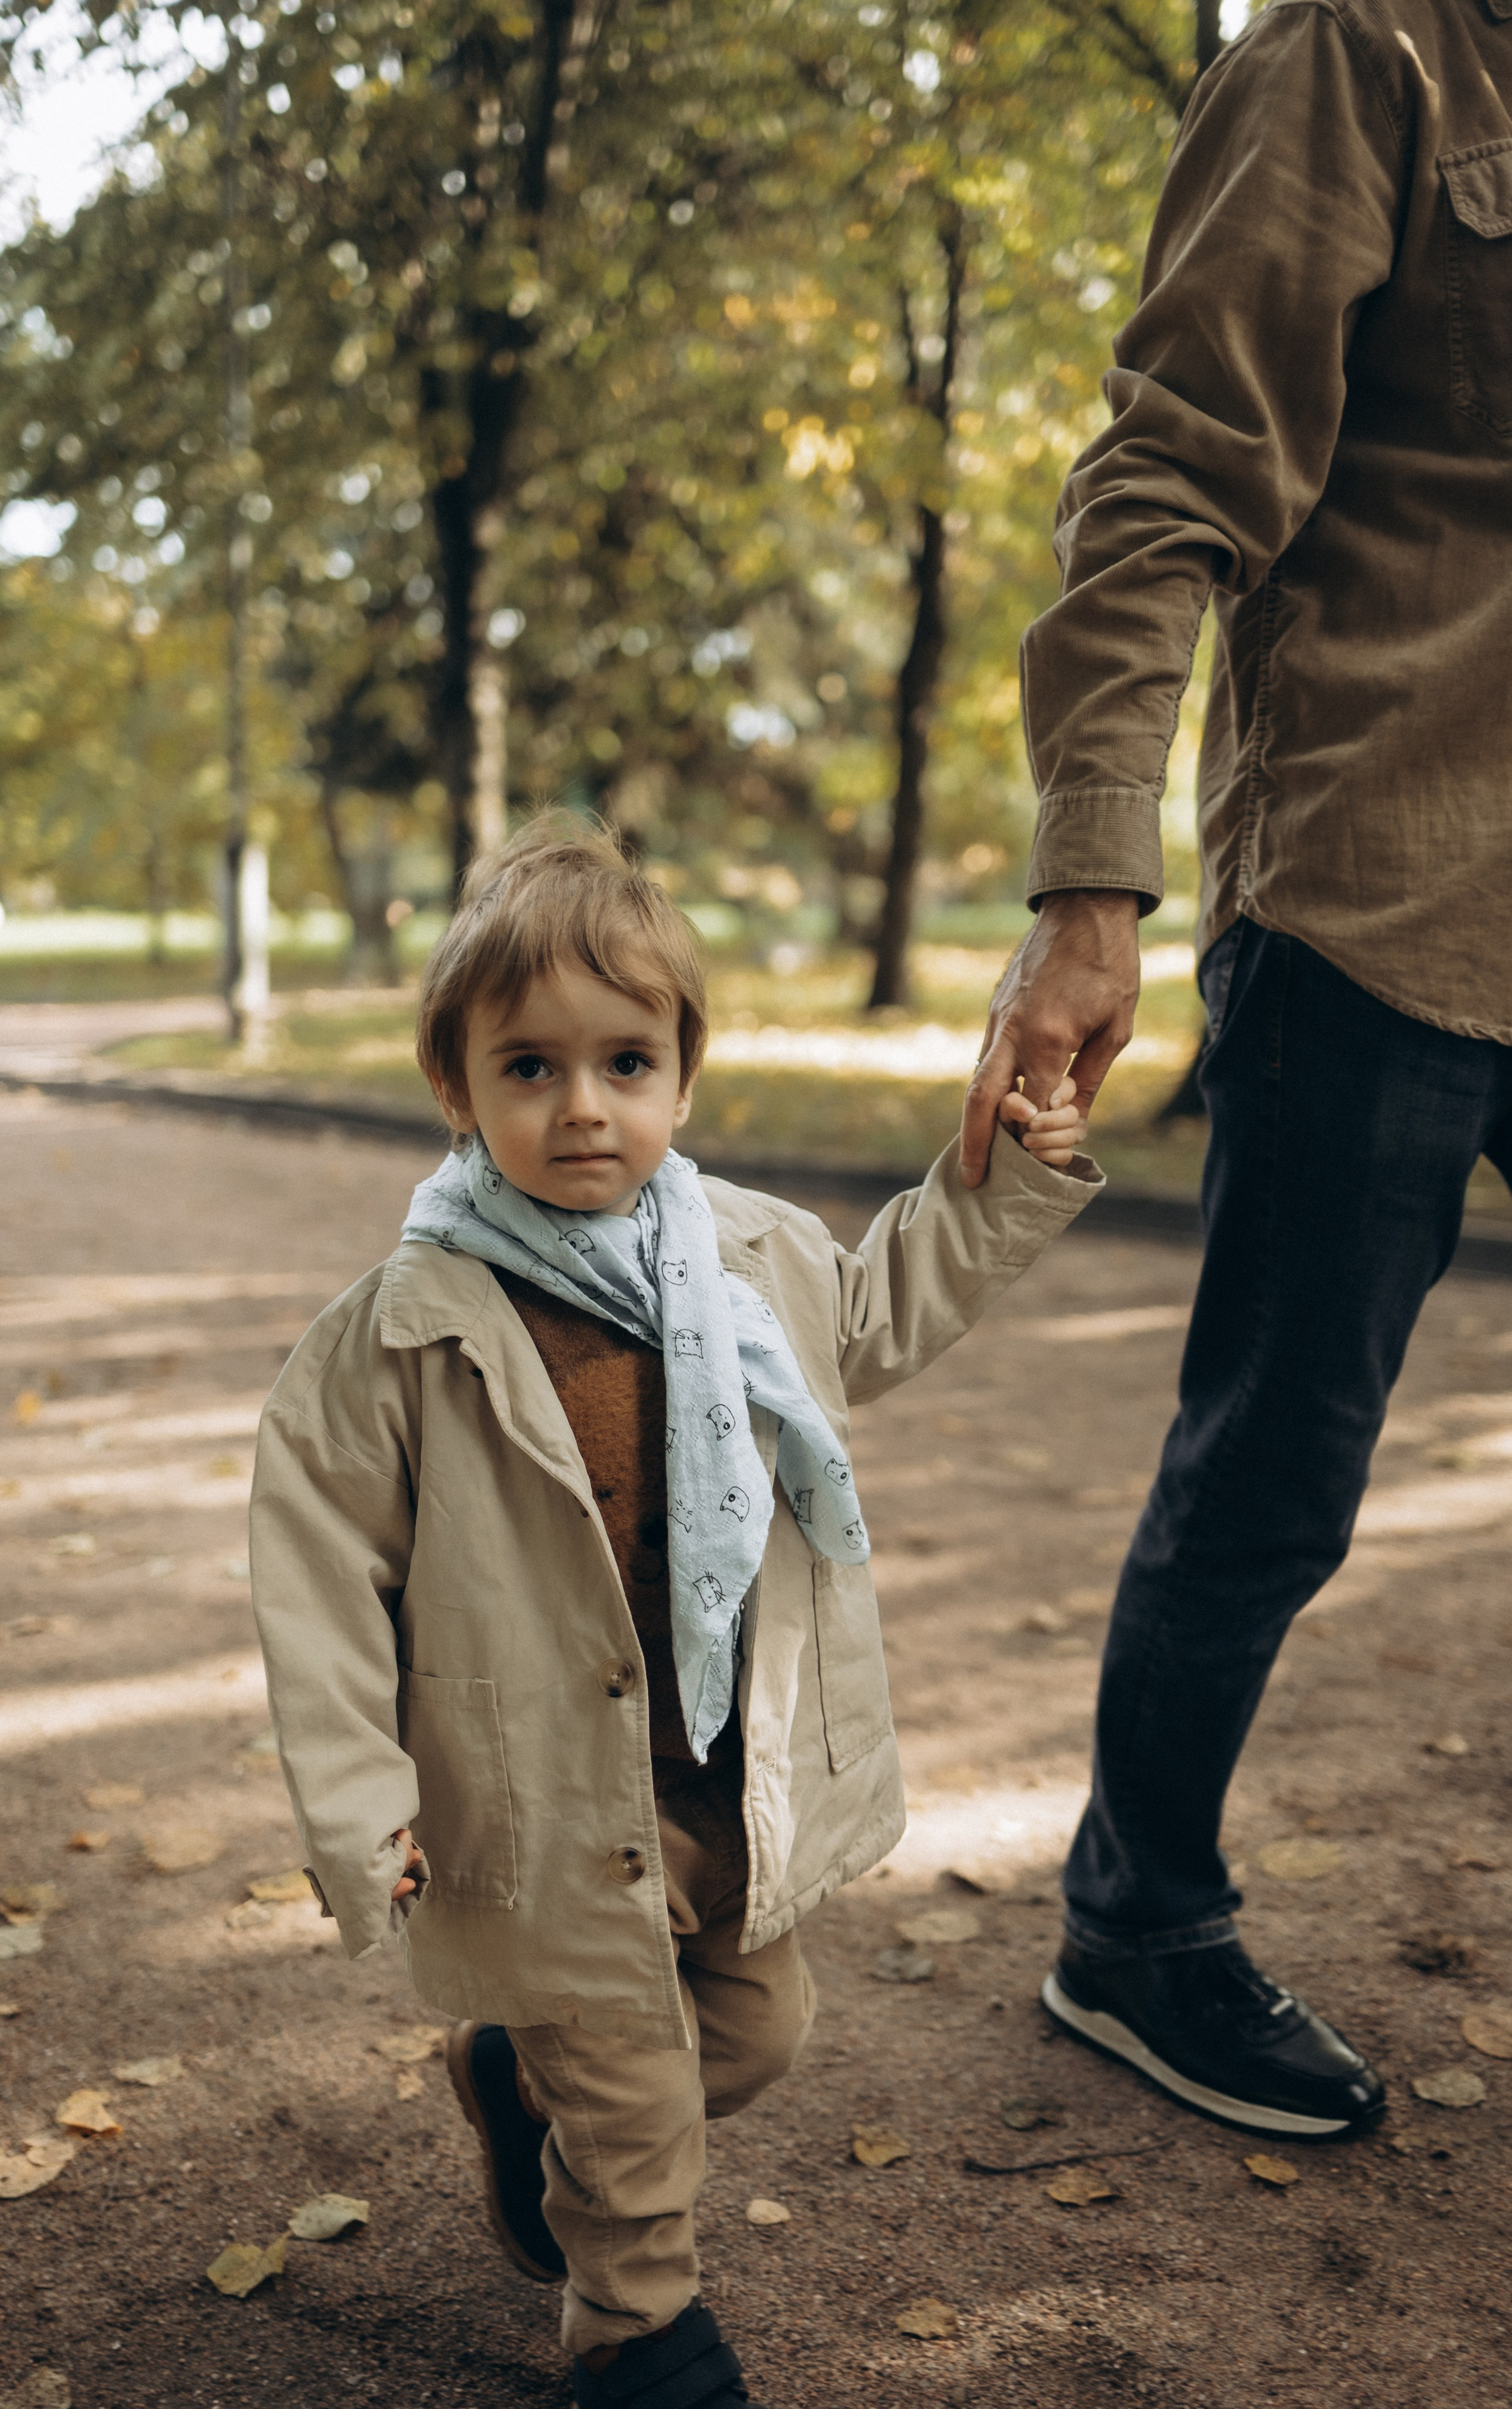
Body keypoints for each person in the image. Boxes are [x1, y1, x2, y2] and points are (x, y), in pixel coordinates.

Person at [960, 0, 1512, 2140]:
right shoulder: (1364, 54)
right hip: (1376, 908)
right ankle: (1137, 1927)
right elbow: (1169, 475)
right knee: (1276, 1473)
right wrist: (1090, 891)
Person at [250, 825, 1100, 2408]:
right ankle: (637, 2333)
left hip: (719, 1760)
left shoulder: (749, 1258)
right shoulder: (399, 1334)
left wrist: (1010, 1170)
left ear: (682, 1078)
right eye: (530, 1067)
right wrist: (367, 1808)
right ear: (459, 1089)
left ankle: (512, 2082)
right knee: (634, 2102)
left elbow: (884, 1308)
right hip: (537, 1795)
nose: (583, 1104)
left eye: (625, 1061)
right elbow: (317, 1586)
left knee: (755, 2042)